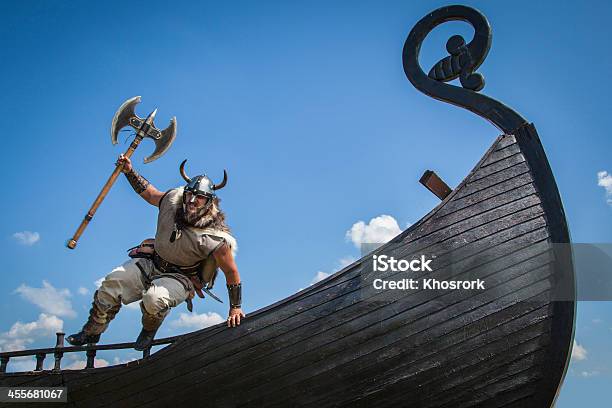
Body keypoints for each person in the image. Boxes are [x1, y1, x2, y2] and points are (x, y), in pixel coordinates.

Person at [67, 155, 245, 351]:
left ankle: (149, 330)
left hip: (180, 276)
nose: (192, 200)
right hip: (152, 262)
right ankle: (92, 330)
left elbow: (231, 272)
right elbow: (150, 194)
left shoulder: (216, 238)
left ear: (209, 201)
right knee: (112, 283)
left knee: (154, 300)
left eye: (199, 197)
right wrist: (129, 171)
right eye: (189, 194)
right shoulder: (171, 200)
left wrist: (235, 307)